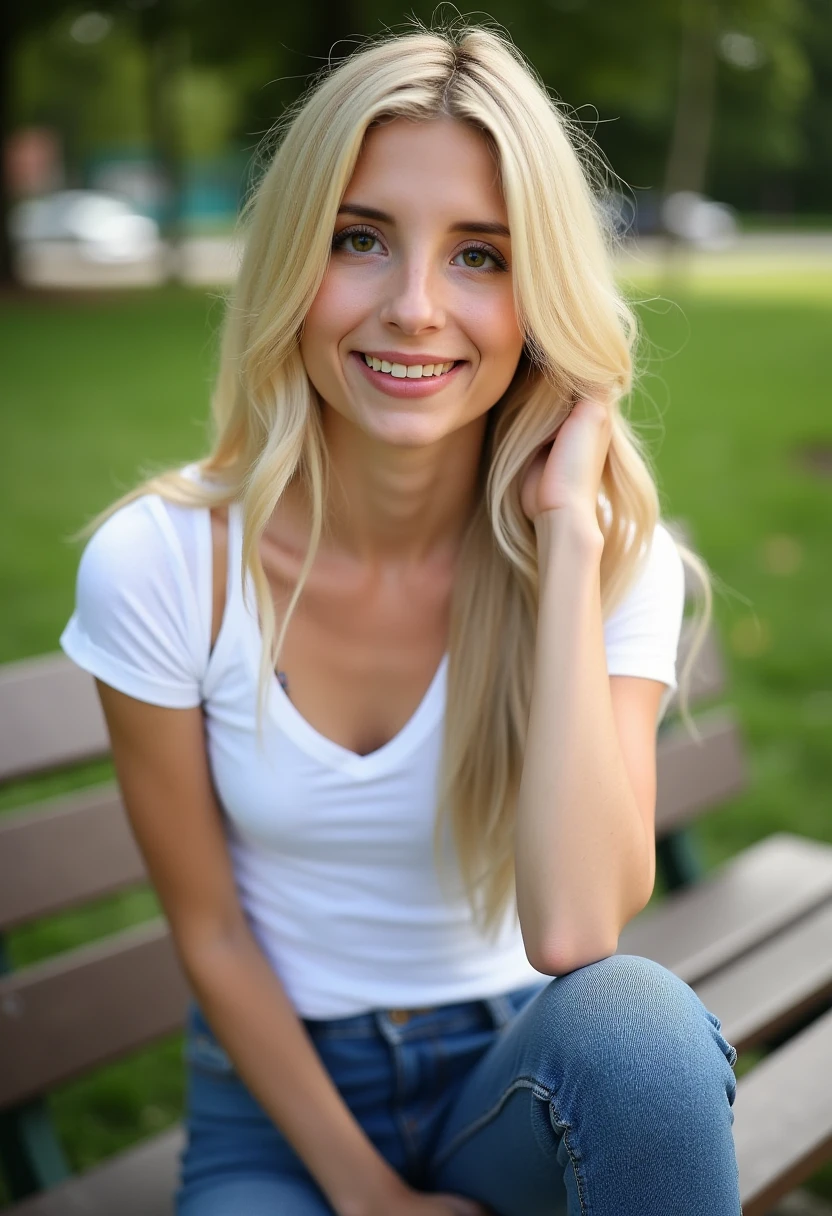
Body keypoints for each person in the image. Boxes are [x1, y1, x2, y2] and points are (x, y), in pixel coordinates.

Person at [59, 21, 741, 1216]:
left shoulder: (603, 556)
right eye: (359, 239)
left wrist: (569, 543)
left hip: (518, 1078)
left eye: (482, 255)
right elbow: (211, 934)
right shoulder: (165, 566)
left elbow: (580, 924)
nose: (416, 307)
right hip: (281, 1113)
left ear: (544, 297)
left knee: (639, 1030)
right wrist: (371, 1200)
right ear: (290, 262)